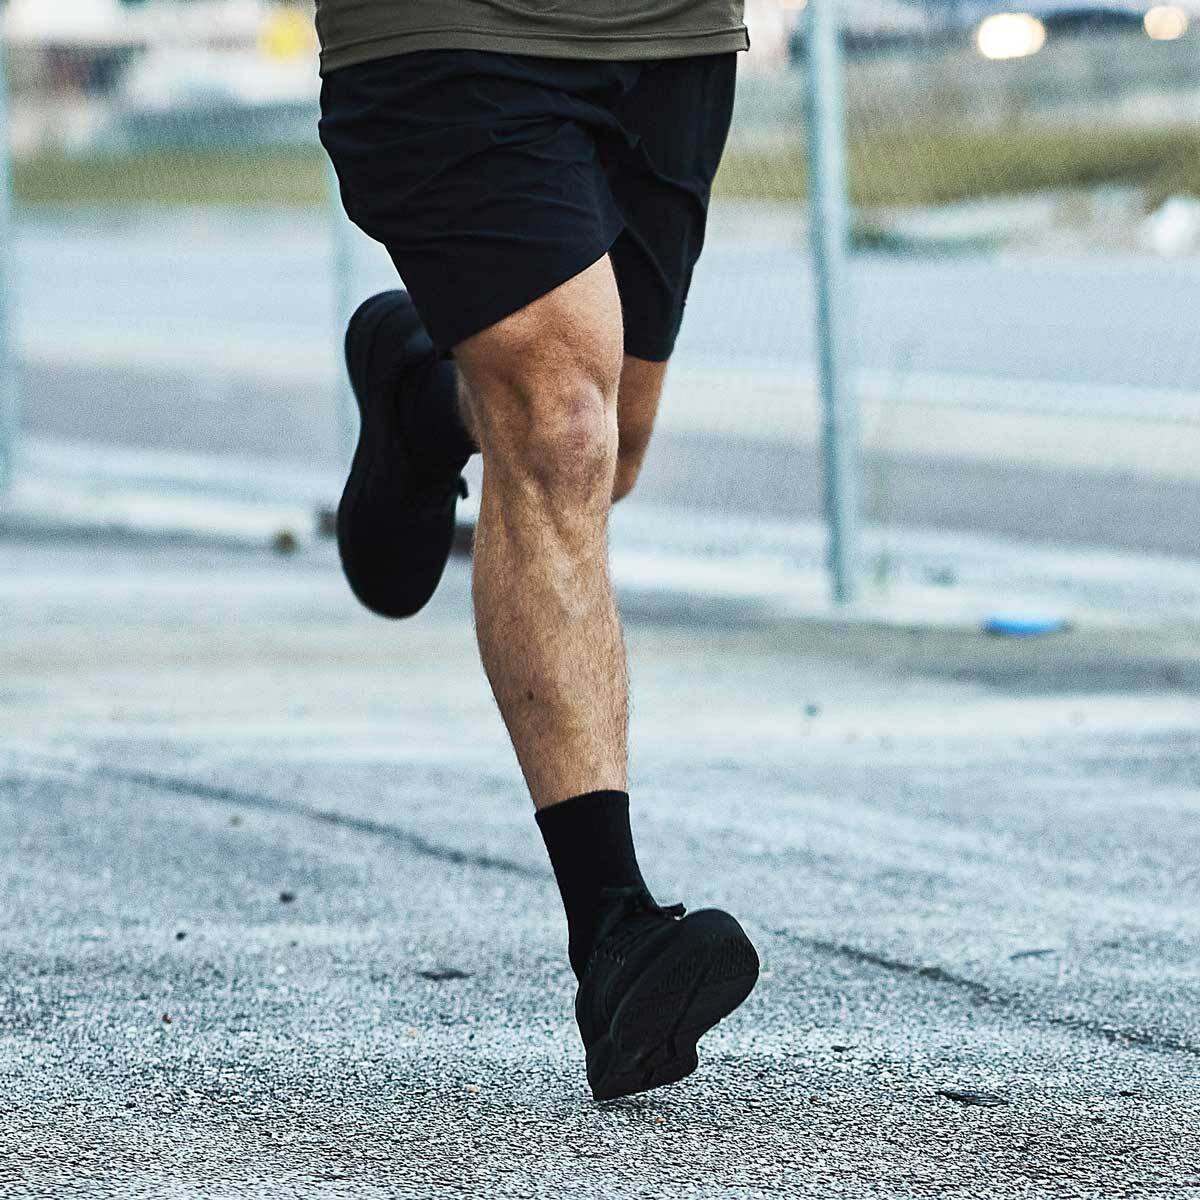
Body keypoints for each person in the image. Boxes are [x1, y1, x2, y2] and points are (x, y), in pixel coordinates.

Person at [315, 0, 760, 1101]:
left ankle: (427, 399)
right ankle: (612, 931)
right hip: (445, 28)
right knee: (563, 429)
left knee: (603, 455)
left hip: (672, 32)